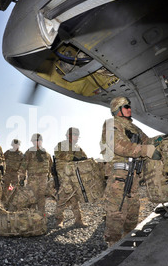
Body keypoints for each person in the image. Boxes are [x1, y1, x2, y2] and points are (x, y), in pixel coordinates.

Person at [100, 96, 161, 246]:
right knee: (116, 212)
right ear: (117, 109)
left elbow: (147, 141)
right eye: (126, 106)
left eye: (129, 106)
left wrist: (159, 141)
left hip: (133, 177)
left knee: (133, 212)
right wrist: (147, 150)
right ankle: (112, 244)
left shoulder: (134, 128)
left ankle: (129, 238)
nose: (130, 109)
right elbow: (118, 145)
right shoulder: (111, 124)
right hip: (119, 177)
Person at [54, 127, 88, 228]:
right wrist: (72, 157)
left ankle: (78, 220)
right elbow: (58, 154)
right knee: (62, 197)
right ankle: (59, 220)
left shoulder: (77, 147)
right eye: (75, 135)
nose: (77, 137)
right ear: (69, 135)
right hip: (63, 174)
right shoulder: (61, 145)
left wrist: (84, 159)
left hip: (74, 176)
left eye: (78, 136)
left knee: (74, 197)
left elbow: (85, 157)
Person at [19, 133, 52, 215]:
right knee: (32, 198)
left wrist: (51, 177)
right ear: (32, 142)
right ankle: (32, 217)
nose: (37, 142)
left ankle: (41, 215)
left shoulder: (46, 154)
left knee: (41, 198)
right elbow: (23, 166)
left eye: (39, 140)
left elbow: (51, 167)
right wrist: (22, 179)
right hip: (32, 179)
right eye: (35, 140)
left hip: (43, 179)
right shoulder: (29, 153)